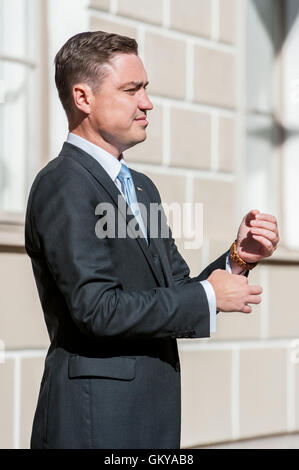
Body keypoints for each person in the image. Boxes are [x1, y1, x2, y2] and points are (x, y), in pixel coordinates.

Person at [24, 31, 279, 449]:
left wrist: (237, 258)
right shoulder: (63, 183)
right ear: (83, 98)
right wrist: (209, 298)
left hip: (149, 417)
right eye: (131, 90)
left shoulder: (141, 187)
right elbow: (97, 309)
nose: (147, 103)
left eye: (146, 88)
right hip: (95, 421)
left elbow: (177, 289)